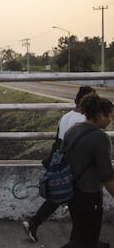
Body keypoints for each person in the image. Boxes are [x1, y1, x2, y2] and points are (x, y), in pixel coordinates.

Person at [22, 85, 96, 242]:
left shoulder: (66, 117)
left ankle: (35, 223)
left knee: (61, 199)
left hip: (60, 162)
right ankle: (77, 240)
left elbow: (58, 141)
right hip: (74, 165)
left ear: (75, 101)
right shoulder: (85, 120)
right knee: (75, 204)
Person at [61, 94, 114, 248]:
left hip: (72, 192)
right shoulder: (100, 138)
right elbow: (107, 175)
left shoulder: (72, 130)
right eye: (109, 115)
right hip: (89, 195)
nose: (110, 120)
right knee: (88, 241)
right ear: (99, 115)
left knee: (78, 232)